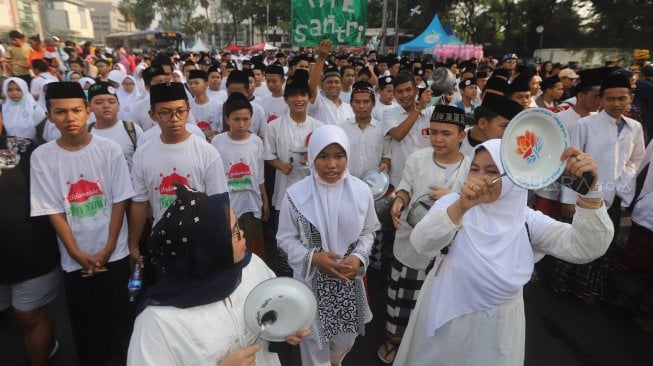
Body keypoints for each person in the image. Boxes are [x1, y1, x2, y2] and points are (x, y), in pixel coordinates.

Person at [393, 139, 614, 366]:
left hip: (496, 333)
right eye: (475, 169)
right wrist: (461, 207)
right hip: (444, 324)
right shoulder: (453, 205)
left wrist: (590, 193)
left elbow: (586, 247)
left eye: (492, 171)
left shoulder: (526, 221)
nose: (480, 178)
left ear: (513, 179)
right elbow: (421, 244)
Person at [127, 185, 309, 365]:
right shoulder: (157, 323)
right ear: (206, 249)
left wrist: (285, 328)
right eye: (234, 231)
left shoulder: (251, 267)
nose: (242, 234)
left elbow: (273, 313)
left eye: (238, 224)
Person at [30, 82, 135, 365]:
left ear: (87, 111)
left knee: (120, 325)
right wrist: (76, 253)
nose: (70, 117)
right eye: (60, 112)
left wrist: (110, 247)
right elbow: (53, 210)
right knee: (85, 327)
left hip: (115, 253)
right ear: (49, 116)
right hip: (74, 259)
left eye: (76, 110)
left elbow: (119, 201)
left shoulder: (109, 149)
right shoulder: (42, 157)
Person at [276, 125, 380, 366]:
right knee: (313, 345)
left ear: (347, 157)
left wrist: (359, 257)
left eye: (339, 156)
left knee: (345, 341)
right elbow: (285, 238)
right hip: (311, 283)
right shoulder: (296, 194)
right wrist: (313, 258)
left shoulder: (361, 191)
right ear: (312, 157)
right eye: (323, 156)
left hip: (347, 281)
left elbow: (368, 230)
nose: (332, 164)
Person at [377, 105, 471, 364]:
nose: (438, 139)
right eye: (434, 132)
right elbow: (405, 187)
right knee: (402, 300)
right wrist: (399, 201)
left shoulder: (471, 167)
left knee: (436, 305)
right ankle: (393, 343)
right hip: (411, 244)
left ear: (461, 136)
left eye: (447, 133)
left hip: (450, 251)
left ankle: (425, 350)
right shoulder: (417, 158)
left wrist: (451, 198)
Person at [128, 82, 229, 269]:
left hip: (201, 243)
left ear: (188, 111)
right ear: (152, 115)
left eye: (180, 111)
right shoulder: (142, 154)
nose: (174, 118)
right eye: (165, 112)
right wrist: (133, 244)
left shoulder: (207, 152)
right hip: (163, 242)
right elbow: (140, 203)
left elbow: (218, 202)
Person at [1, 119, 61, 366]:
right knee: (13, 314)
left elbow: (55, 192)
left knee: (29, 315)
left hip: (30, 252)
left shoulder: (26, 149)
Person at [212, 93, 269, 259]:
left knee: (255, 253)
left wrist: (264, 200)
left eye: (246, 119)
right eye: (236, 119)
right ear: (227, 119)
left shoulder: (256, 142)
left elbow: (259, 175)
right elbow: (215, 178)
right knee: (233, 252)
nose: (241, 124)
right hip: (229, 206)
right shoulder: (217, 141)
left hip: (252, 204)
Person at [86, 82, 143, 170]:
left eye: (111, 102)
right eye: (99, 102)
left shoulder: (132, 130)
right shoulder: (85, 133)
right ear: (90, 108)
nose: (106, 106)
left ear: (118, 106)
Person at [308, 40, 354, 125]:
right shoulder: (319, 103)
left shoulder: (348, 108)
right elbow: (312, 86)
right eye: (329, 82)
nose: (333, 85)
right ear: (322, 85)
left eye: (337, 82)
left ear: (341, 85)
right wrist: (321, 58)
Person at [1, 77, 47, 141]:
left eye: (18, 89)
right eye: (10, 90)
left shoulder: (34, 108)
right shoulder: (3, 108)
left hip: (31, 146)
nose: (14, 93)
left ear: (24, 90)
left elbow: (42, 134)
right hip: (9, 146)